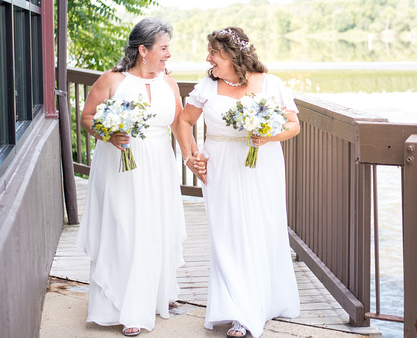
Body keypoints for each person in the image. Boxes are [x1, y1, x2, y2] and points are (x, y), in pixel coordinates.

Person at [176, 27, 301, 338]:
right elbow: (183, 121)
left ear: (232, 55)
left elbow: (293, 124)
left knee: (259, 229)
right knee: (227, 234)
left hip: (262, 165)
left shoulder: (270, 83)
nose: (207, 58)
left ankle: (253, 308)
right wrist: (191, 156)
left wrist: (267, 134)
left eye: (213, 53)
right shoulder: (208, 85)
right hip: (219, 168)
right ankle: (234, 308)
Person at [76, 18, 190, 336]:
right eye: (163, 48)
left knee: (155, 227)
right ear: (143, 50)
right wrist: (109, 135)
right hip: (119, 166)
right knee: (123, 227)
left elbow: (179, 122)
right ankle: (122, 307)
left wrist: (193, 157)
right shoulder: (113, 80)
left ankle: (154, 296)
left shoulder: (169, 82)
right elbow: (87, 117)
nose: (168, 54)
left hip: (159, 167)